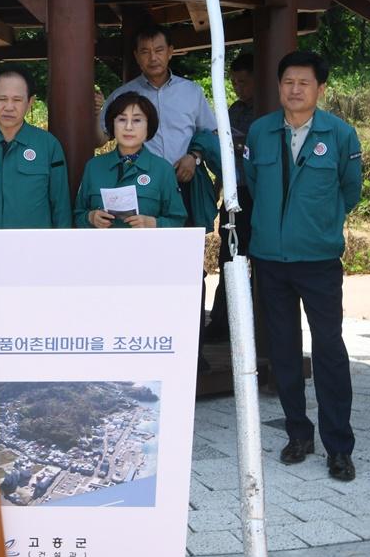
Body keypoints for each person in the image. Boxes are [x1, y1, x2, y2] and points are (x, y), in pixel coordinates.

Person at [242, 50, 362, 482]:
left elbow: (350, 191)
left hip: (320, 261)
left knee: (329, 350)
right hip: (271, 260)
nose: (295, 89)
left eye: (304, 83)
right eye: (288, 81)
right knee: (284, 350)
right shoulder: (260, 132)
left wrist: (315, 225)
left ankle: (339, 446)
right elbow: (253, 183)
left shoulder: (341, 134)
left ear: (320, 89)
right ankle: (298, 433)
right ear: (279, 86)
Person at [96, 24, 218, 225]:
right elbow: (100, 138)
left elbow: (211, 133)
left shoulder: (191, 92)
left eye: (159, 50)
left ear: (170, 51)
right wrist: (95, 113)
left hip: (182, 180)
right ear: (136, 55)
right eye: (145, 51)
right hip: (140, 185)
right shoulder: (123, 95)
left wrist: (194, 157)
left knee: (184, 248)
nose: (153, 58)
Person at [0, 64, 70, 229]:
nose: (9, 107)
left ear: (30, 102)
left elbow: (61, 207)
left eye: (17, 100)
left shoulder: (48, 145)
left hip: (35, 249)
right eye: (2, 99)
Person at [74, 91, 187, 229]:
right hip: (102, 249)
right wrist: (90, 218)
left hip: (147, 248)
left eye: (137, 120)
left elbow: (178, 221)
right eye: (122, 119)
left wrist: (153, 223)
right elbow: (78, 216)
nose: (128, 127)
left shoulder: (163, 169)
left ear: (148, 126)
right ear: (112, 124)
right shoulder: (94, 167)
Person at [205, 52, 256, 342]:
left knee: (259, 264)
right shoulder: (234, 110)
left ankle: (254, 325)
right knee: (228, 258)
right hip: (234, 196)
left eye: (243, 82)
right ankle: (222, 320)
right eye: (234, 82)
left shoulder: (268, 111)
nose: (238, 87)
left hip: (258, 196)